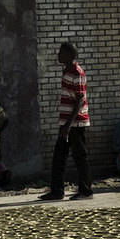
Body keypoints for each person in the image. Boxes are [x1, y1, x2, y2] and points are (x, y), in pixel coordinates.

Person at [40, 41, 92, 201]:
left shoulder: (77, 73)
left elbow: (79, 101)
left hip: (76, 123)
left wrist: (67, 126)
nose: (58, 55)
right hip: (66, 123)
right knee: (59, 157)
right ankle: (57, 190)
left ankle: (86, 190)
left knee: (79, 157)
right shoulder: (67, 71)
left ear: (70, 55)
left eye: (61, 53)